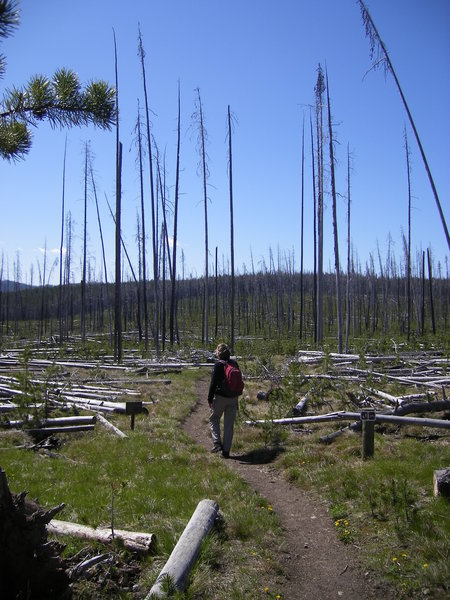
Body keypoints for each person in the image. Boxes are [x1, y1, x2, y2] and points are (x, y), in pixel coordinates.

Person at [208, 343, 240, 458]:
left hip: (220, 397)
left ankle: (217, 443)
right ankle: (226, 452)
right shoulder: (234, 363)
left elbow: (213, 384)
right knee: (229, 425)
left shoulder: (218, 365)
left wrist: (210, 399)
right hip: (233, 397)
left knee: (214, 418)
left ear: (218, 353)